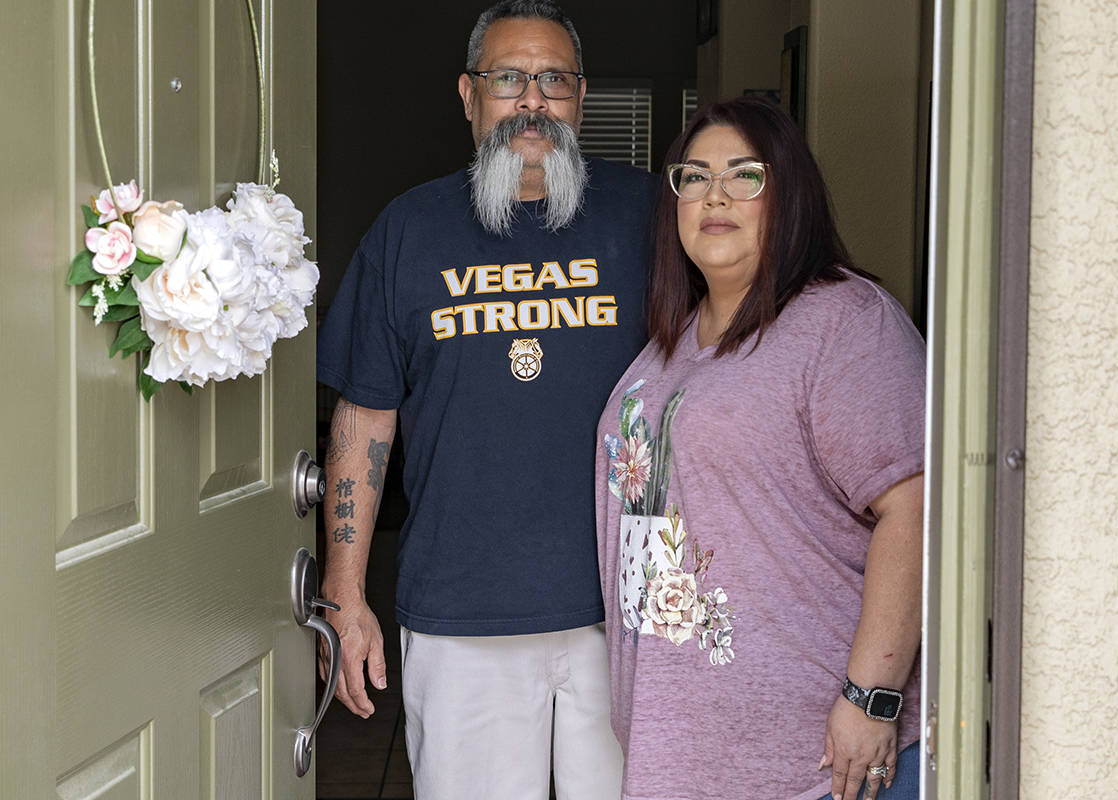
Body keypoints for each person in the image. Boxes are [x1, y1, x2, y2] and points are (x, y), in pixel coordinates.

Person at [316, 2, 656, 798]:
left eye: (554, 80)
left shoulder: (653, 217)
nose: (532, 101)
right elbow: (364, 417)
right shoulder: (409, 230)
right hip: (461, 612)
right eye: (509, 79)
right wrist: (344, 589)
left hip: (633, 614)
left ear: (580, 97)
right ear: (469, 96)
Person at [594, 96, 924, 800]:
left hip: (808, 761)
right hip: (684, 750)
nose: (716, 194)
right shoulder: (673, 341)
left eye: (746, 175)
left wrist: (872, 700)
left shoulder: (843, 322)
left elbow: (916, 509)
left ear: (790, 194)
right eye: (694, 176)